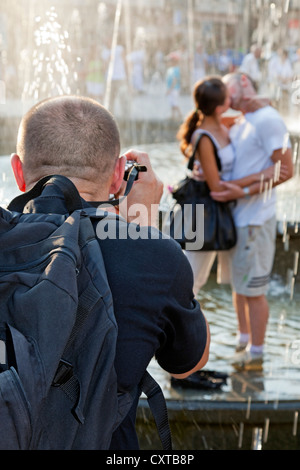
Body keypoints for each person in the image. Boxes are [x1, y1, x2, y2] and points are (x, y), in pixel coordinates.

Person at [10, 95, 210, 450]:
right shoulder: (156, 256)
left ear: (18, 172)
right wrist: (142, 226)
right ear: (119, 174)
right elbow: (187, 364)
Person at [210, 72, 293, 371]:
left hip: (256, 218)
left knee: (253, 291)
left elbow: (285, 170)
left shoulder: (269, 119)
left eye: (228, 90)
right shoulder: (245, 118)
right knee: (238, 286)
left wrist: (243, 188)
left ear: (244, 82)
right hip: (236, 219)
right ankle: (242, 340)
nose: (224, 99)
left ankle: (256, 353)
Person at [176, 76, 279, 296]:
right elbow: (216, 186)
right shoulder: (203, 137)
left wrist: (264, 100)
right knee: (191, 279)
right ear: (221, 105)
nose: (232, 98)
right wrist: (258, 177)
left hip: (217, 209)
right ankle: (179, 326)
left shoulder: (223, 124)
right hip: (201, 210)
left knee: (200, 279)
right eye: (228, 96)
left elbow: (246, 116)